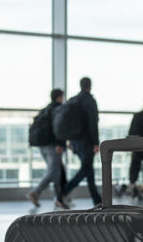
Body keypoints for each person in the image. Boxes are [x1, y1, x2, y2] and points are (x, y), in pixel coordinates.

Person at [58, 76, 101, 208]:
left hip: (75, 142)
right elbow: (93, 122)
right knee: (85, 170)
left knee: (88, 170)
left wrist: (69, 140)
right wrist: (96, 142)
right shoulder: (89, 101)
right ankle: (62, 194)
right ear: (90, 86)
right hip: (87, 142)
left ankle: (98, 201)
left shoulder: (73, 101)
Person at [28, 88, 67, 208]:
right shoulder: (58, 109)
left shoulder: (46, 110)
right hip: (53, 146)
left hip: (42, 146)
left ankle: (58, 199)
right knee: (54, 172)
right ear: (59, 97)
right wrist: (60, 144)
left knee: (58, 171)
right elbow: (59, 128)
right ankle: (36, 192)